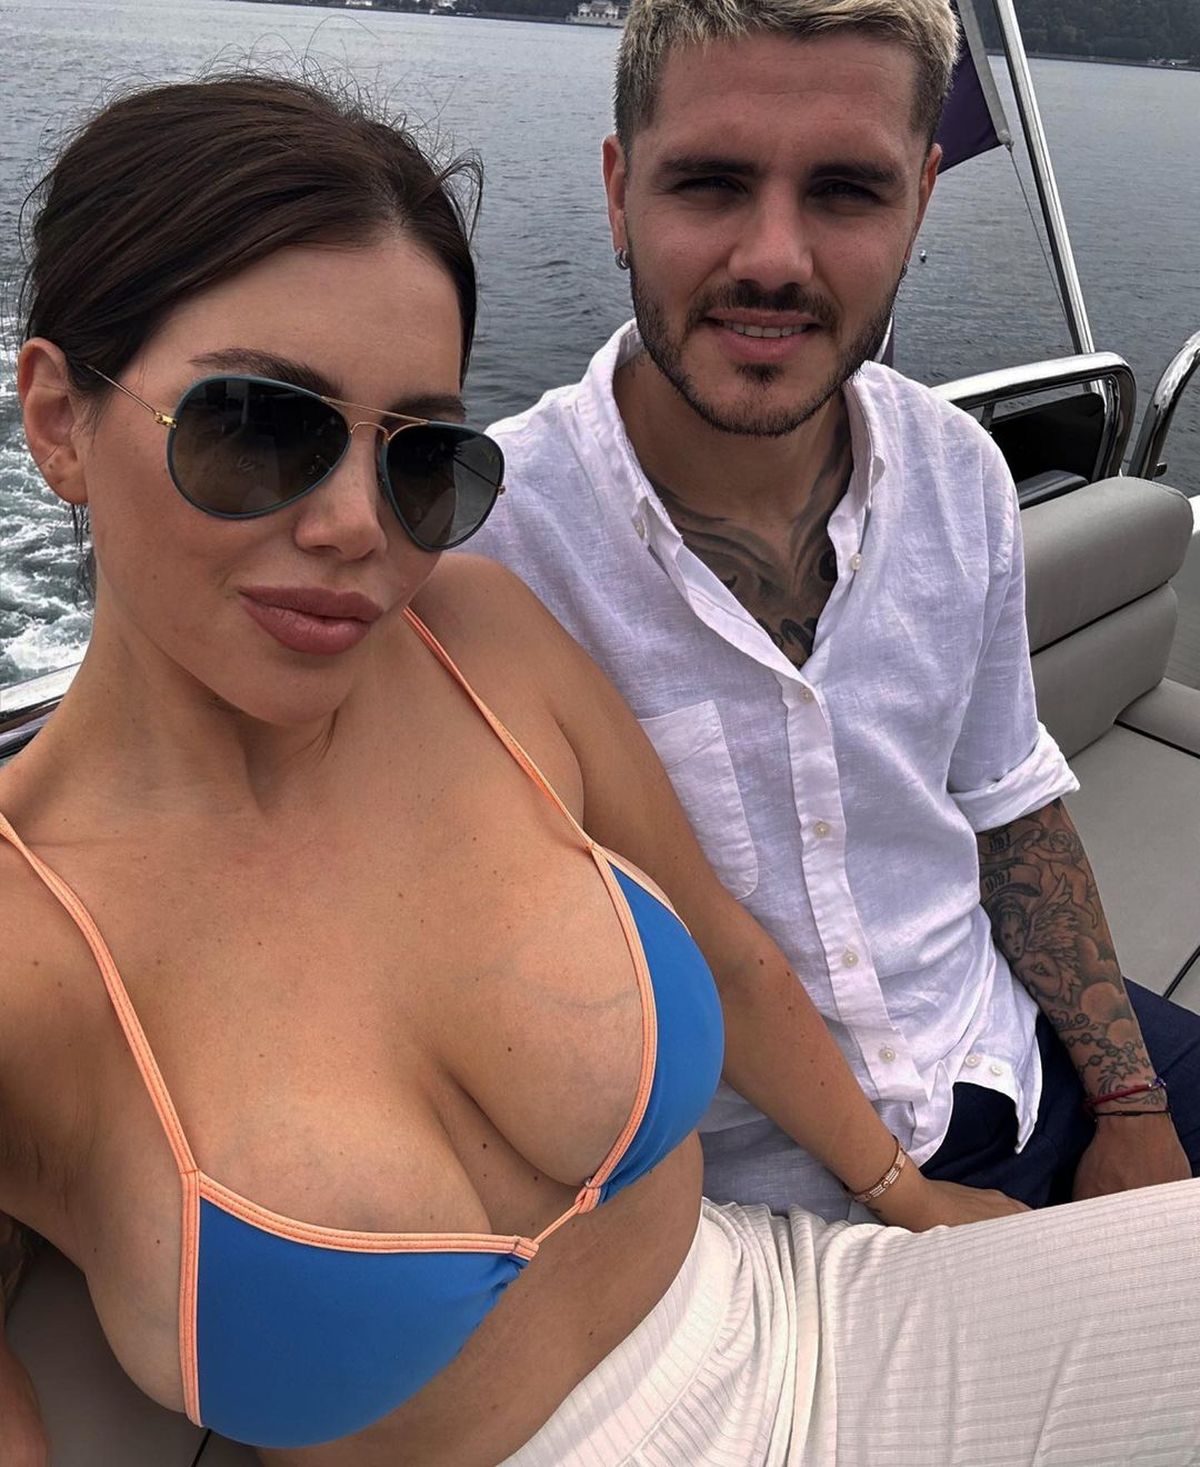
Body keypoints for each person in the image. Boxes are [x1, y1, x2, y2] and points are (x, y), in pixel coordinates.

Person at [1, 68, 1198, 1467]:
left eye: (421, 459)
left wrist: (911, 1199)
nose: (355, 526)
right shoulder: (25, 942)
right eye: (262, 425)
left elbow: (729, 953)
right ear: (59, 419)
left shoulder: (477, 642)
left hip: (807, 1306)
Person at [470, 0, 1200, 1220]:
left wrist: (1128, 1103)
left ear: (921, 199)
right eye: (710, 183)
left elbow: (1008, 811)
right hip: (754, 1213)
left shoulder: (958, 472)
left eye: (848, 192)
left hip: (999, 1050)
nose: (774, 258)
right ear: (618, 193)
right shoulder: (486, 548)